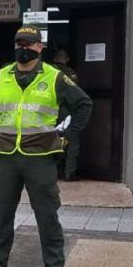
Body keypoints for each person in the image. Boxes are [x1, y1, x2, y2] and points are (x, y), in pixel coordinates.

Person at [0, 26, 93, 267]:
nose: (23, 47)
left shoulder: (55, 77)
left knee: (47, 219)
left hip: (40, 158)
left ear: (40, 48)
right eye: (19, 43)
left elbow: (83, 104)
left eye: (29, 43)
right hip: (6, 157)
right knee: (1, 218)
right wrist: (2, 128)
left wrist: (66, 135)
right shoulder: (2, 75)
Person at [51, 49, 82, 181]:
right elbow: (75, 91)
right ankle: (70, 172)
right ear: (67, 59)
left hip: (49, 110)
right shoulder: (70, 73)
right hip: (68, 111)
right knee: (71, 141)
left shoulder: (48, 71)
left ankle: (54, 172)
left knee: (52, 141)